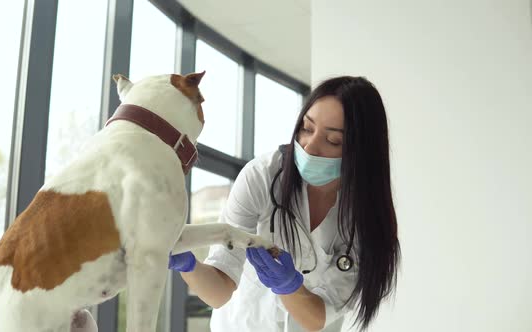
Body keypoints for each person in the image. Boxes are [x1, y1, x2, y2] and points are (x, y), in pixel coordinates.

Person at [168, 76, 400, 331]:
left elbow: (316, 319)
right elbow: (218, 292)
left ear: (360, 152)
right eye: (307, 128)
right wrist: (188, 264)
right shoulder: (262, 176)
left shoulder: (365, 218)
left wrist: (288, 286)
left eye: (333, 141)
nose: (310, 146)